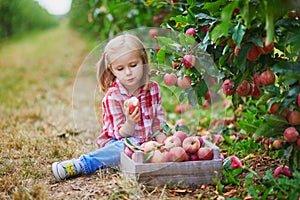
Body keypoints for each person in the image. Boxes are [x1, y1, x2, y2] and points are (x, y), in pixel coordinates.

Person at [52, 34, 167, 181]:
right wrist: (130, 122)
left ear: (143, 62)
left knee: (167, 143)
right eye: (120, 68)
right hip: (120, 141)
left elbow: (159, 120)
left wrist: (163, 142)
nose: (128, 72)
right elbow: (120, 134)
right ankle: (81, 164)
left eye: (133, 65)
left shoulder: (153, 89)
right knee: (124, 148)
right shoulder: (113, 96)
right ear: (112, 70)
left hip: (147, 143)